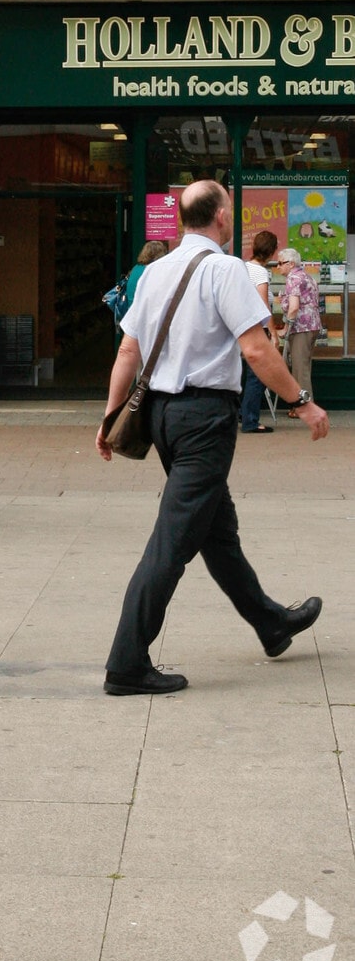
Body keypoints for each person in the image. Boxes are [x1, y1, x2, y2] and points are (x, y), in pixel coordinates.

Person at [97, 178, 327, 697]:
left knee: (216, 533)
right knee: (171, 543)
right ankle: (126, 664)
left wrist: (109, 418)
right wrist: (301, 402)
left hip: (160, 416)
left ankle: (271, 623)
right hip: (203, 420)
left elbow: (128, 353)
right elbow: (257, 350)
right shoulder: (225, 270)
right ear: (222, 216)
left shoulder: (154, 272)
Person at [277, 246, 324, 415]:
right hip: (312, 325)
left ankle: (304, 408)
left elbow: (294, 308)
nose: (278, 267)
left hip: (301, 327)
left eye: (280, 263)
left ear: (290, 263)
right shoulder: (307, 277)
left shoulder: (293, 278)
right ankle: (300, 405)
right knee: (303, 365)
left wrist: (286, 328)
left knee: (299, 368)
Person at [240, 229, 279, 434]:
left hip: (243, 327)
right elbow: (263, 304)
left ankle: (243, 413)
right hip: (258, 329)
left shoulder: (244, 268)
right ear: (272, 251)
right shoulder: (260, 272)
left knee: (247, 374)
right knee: (259, 376)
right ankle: (250, 420)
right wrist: (272, 332)